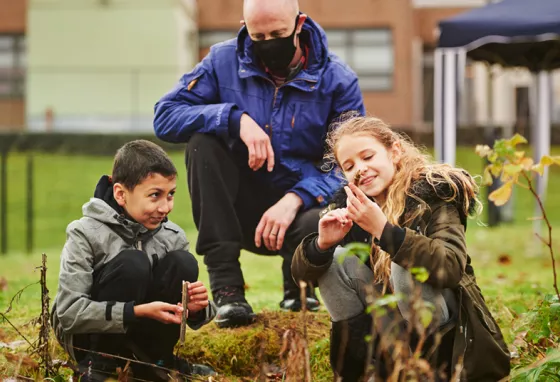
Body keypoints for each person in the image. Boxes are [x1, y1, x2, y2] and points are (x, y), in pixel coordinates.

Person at [153, 0, 365, 328]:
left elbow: (339, 163)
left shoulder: (338, 80)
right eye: (258, 36)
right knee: (202, 144)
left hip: (304, 213)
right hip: (238, 209)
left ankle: (299, 288)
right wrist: (232, 118)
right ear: (244, 27)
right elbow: (165, 116)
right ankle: (228, 293)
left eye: (278, 33)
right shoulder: (221, 61)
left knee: (325, 208)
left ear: (299, 24)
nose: (268, 44)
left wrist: (297, 197)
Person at [291, 116, 511, 381]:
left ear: (394, 152)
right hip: (389, 333)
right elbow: (304, 281)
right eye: (349, 166)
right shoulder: (351, 207)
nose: (361, 170)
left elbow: (450, 267)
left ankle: (427, 374)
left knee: (404, 266)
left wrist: (384, 231)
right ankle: (363, 373)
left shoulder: (433, 193)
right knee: (337, 261)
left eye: (368, 157)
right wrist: (322, 245)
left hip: (448, 338)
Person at [51, 140, 216, 381]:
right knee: (132, 264)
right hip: (89, 341)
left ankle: (156, 362)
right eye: (155, 195)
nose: (165, 207)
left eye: (170, 195)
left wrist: (197, 309)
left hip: (144, 336)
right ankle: (100, 364)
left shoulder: (173, 235)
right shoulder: (84, 232)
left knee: (184, 263)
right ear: (120, 193)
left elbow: (192, 310)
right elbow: (68, 313)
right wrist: (135, 312)